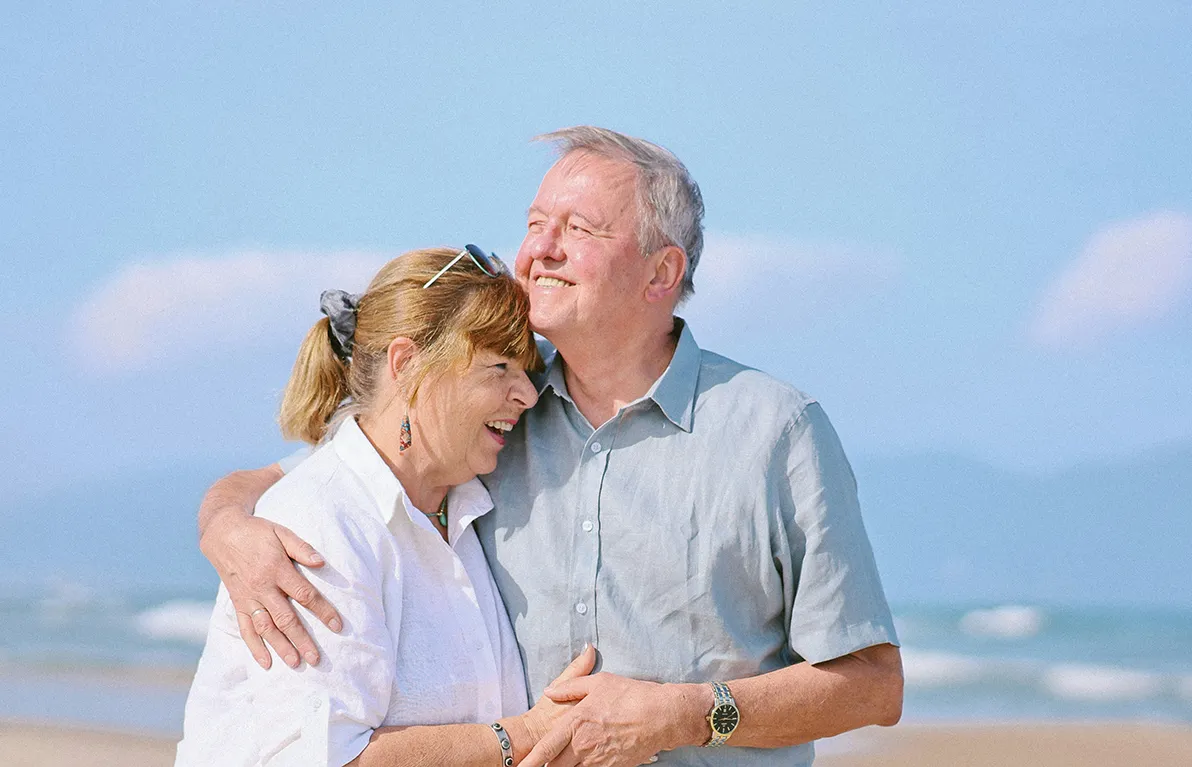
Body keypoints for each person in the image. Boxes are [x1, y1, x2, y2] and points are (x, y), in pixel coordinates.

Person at [197, 127, 904, 767]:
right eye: (536, 225)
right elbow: (318, 481)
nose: (538, 251)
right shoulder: (486, 406)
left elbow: (873, 684)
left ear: (661, 273)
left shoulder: (776, 432)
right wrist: (228, 529)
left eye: (578, 228)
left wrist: (686, 713)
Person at [178, 247, 594, 767]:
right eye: (499, 366)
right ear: (407, 364)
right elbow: (329, 759)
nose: (528, 397)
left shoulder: (461, 505)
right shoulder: (319, 521)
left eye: (527, 371)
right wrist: (525, 734)